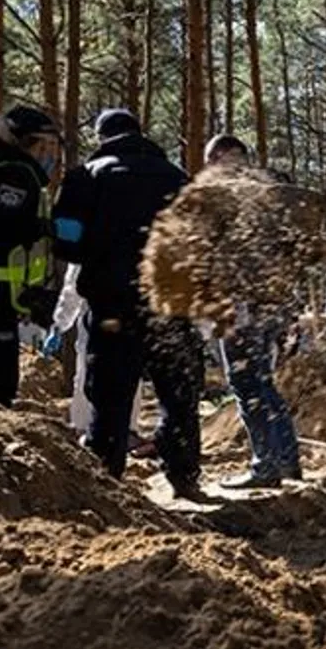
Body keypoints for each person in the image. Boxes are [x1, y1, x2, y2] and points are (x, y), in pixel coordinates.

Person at [52, 108, 204, 499]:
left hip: (112, 304)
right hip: (170, 304)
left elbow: (66, 240)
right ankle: (184, 475)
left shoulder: (88, 176)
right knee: (178, 394)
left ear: (102, 137)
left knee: (111, 395)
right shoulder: (178, 179)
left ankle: (108, 480)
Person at [204, 134, 302, 489]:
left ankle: (266, 464)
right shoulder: (270, 194)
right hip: (273, 302)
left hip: (242, 304)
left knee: (247, 382)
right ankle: (287, 458)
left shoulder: (227, 198)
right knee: (262, 380)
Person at [0, 106, 61, 406]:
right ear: (22, 142)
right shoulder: (15, 174)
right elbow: (0, 226)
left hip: (1, 293)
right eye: (44, 146)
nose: (50, 156)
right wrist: (40, 228)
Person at [43, 263, 143, 438]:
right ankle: (85, 427)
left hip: (122, 317)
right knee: (90, 375)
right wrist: (60, 324)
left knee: (118, 375)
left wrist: (60, 324)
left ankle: (121, 430)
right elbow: (73, 287)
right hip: (109, 316)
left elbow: (72, 287)